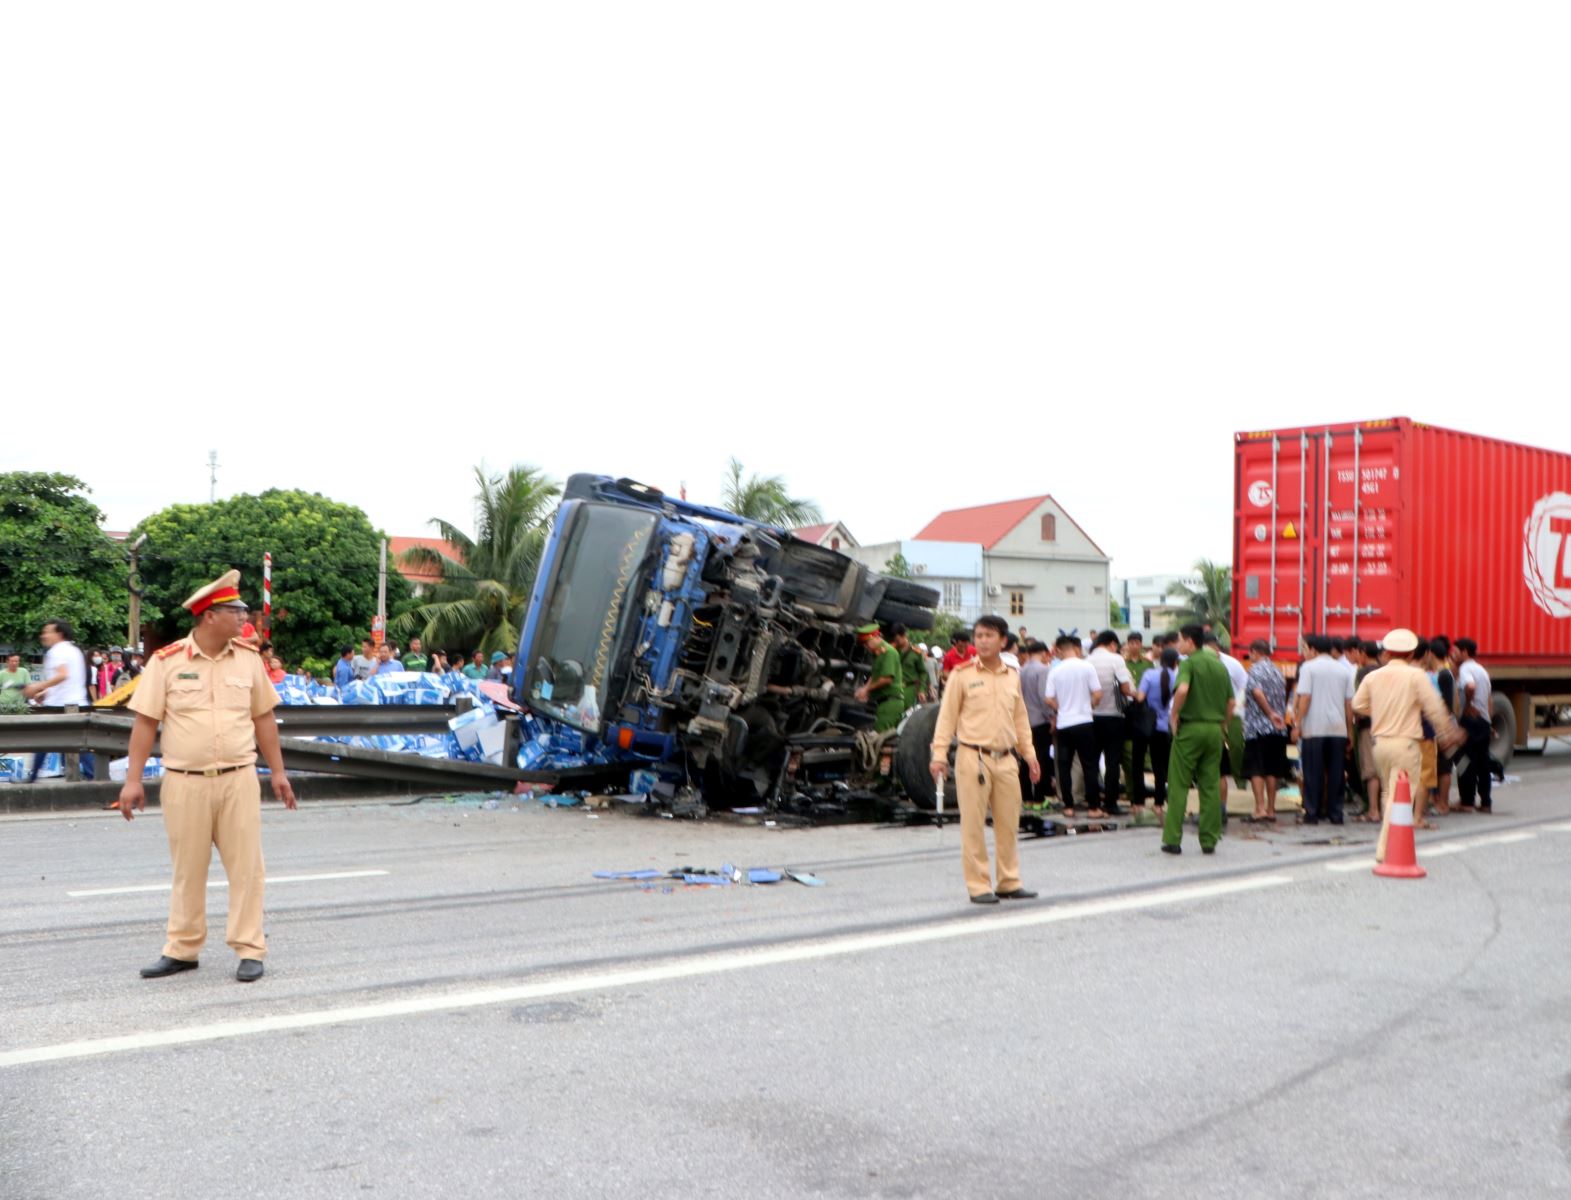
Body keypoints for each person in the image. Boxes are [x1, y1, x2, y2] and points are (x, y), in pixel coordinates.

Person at [118, 570, 297, 983]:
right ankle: (182, 949)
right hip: (184, 780)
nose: (243, 617)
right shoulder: (166, 663)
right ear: (209, 616)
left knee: (248, 869)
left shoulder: (249, 661)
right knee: (188, 869)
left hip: (238, 777)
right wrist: (132, 780)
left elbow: (264, 719)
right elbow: (145, 723)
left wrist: (279, 773)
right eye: (235, 610)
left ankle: (250, 948)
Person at [929, 615, 1039, 905]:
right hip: (972, 757)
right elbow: (946, 719)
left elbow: (1020, 720)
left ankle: (1009, 881)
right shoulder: (962, 675)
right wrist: (939, 756)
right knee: (973, 825)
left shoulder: (1011, 676)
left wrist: (1029, 755)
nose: (983, 640)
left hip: (1006, 759)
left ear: (1003, 641)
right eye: (979, 635)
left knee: (1008, 823)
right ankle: (978, 885)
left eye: (989, 635)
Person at [1353, 628, 1462, 862]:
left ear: (1388, 653)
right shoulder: (1416, 677)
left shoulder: (1374, 676)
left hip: (1380, 744)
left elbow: (1358, 704)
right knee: (1399, 798)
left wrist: (1381, 712)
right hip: (1405, 744)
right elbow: (1434, 708)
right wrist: (1447, 733)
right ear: (1412, 654)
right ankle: (1385, 849)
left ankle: (1388, 844)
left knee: (1387, 795)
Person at [1161, 624, 1234, 855]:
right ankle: (1209, 840)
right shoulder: (1219, 665)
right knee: (1210, 785)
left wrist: (1174, 716)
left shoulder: (1189, 663)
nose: (1178, 644)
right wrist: (1223, 725)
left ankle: (1172, 839)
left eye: (1180, 639)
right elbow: (1231, 703)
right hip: (1214, 730)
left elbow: (1182, 690)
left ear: (1190, 641)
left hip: (1191, 729)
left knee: (1179, 784)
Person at [22, 619, 92, 781]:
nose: (44, 635)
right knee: (77, 744)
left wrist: (37, 687)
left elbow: (62, 675)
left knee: (43, 742)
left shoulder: (57, 651)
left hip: (60, 706)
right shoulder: (74, 650)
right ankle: (94, 776)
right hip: (76, 703)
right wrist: (46, 691)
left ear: (59, 633)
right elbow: (69, 680)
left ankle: (32, 778)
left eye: (47, 631)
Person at [1294, 634, 1354, 825]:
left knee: (1313, 772)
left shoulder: (1308, 668)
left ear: (1313, 649)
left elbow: (1305, 698)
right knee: (1336, 772)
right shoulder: (1343, 670)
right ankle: (1335, 813)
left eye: (1305, 648)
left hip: (1314, 728)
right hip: (1338, 729)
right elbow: (1348, 703)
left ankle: (1312, 812)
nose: (1304, 653)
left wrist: (1297, 724)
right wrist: (1350, 732)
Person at [1045, 634, 1103, 817]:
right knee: (1089, 765)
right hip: (1084, 722)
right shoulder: (1087, 667)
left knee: (1064, 766)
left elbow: (1048, 698)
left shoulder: (1055, 670)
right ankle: (1094, 807)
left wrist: (1060, 707)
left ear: (1060, 650)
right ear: (1075, 649)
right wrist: (1090, 704)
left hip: (1064, 724)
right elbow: (1098, 693)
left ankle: (1068, 806)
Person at [1086, 631, 1135, 812]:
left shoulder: (1087, 660)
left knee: (1091, 761)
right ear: (1113, 644)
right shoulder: (1116, 659)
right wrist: (1135, 694)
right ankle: (1111, 803)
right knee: (1112, 761)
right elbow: (1125, 688)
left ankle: (1093, 803)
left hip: (1091, 717)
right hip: (1114, 717)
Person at [1242, 640, 1289, 822]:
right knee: (1272, 769)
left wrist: (1269, 713)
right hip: (1277, 729)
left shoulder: (1255, 670)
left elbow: (1257, 693)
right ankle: (1271, 809)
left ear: (1254, 652)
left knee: (1257, 769)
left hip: (1258, 727)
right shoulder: (1278, 672)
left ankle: (1259, 808)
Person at [1204, 635, 1248, 814]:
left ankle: (1241, 782)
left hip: (1233, 712)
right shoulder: (1198, 663)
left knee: (1237, 746)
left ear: (1217, 648)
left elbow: (1245, 686)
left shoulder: (1232, 664)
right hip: (1210, 715)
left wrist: (1237, 706)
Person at [1451, 637, 1494, 812]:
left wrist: (1468, 705)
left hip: (1470, 722)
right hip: (1483, 722)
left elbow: (1470, 686)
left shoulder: (1465, 669)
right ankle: (1485, 802)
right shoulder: (1482, 670)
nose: (1453, 655)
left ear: (1464, 652)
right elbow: (1489, 698)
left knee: (1464, 761)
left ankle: (1466, 801)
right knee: (1483, 763)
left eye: (1455, 652)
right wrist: (1489, 721)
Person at [1138, 646, 1180, 815]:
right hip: (1164, 727)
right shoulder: (1176, 678)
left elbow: (1140, 698)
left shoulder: (1149, 674)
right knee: (1160, 767)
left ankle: (1138, 801)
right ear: (1175, 663)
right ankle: (1159, 803)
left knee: (1138, 763)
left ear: (1160, 660)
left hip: (1145, 726)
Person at [1018, 639, 1055, 804]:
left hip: (1023, 721)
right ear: (1045, 653)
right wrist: (1051, 716)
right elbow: (1043, 697)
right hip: (1039, 721)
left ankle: (1026, 797)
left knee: (1025, 760)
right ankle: (1039, 797)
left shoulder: (1022, 670)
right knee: (1041, 759)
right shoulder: (1043, 670)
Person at [853, 623, 905, 733]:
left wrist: (866, 689)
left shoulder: (888, 652)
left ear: (876, 637)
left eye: (867, 642)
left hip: (890, 702)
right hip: (884, 702)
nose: (865, 646)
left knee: (882, 740)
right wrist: (865, 689)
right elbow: (875, 675)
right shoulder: (878, 653)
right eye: (863, 643)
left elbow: (886, 679)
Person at [1428, 635, 1457, 814]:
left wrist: (1443, 729)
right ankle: (1438, 801)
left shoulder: (1444, 675)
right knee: (1439, 766)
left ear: (1431, 654)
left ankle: (1443, 804)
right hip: (1441, 725)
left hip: (1443, 726)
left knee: (1444, 767)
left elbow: (1446, 704)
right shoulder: (1442, 674)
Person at [889, 624, 930, 711]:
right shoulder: (891, 650)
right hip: (892, 688)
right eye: (895, 640)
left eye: (898, 640)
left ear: (905, 635)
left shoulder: (916, 652)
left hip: (909, 689)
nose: (896, 642)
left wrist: (921, 690)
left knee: (905, 715)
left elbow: (922, 672)